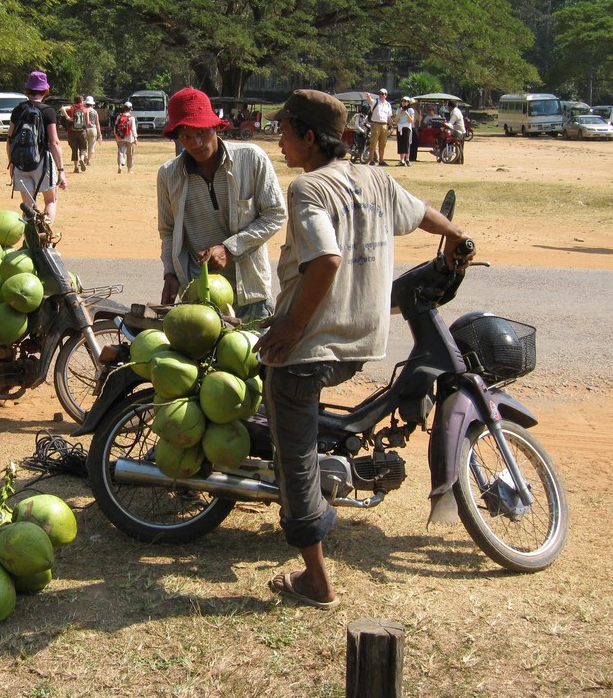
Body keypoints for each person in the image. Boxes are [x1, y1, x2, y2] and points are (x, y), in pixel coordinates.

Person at [253, 89, 474, 609]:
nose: (279, 141)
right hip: (362, 341)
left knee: (296, 453)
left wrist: (290, 327)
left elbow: (325, 261)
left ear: (309, 137)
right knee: (307, 427)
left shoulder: (309, 187)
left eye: (284, 131)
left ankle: (315, 579)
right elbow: (421, 214)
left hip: (312, 345)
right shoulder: (376, 178)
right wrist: (456, 235)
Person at [157, 88, 285, 323]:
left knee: (251, 358)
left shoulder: (251, 158)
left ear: (215, 126)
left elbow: (275, 214)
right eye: (185, 136)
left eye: (202, 132)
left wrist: (230, 248)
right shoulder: (168, 174)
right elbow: (168, 230)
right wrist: (170, 272)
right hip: (199, 298)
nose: (195, 143)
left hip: (249, 292)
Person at [7, 71, 66, 222]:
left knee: (28, 205)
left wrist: (12, 163)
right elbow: (54, 142)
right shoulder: (48, 111)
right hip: (42, 162)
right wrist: (61, 170)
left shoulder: (18, 110)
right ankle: (44, 239)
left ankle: (30, 241)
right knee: (50, 201)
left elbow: (9, 139)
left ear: (27, 90)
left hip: (20, 162)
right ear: (45, 90)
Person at [366, 87, 392, 166]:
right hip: (375, 124)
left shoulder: (388, 105)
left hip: (384, 125)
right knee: (373, 142)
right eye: (380, 93)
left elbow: (389, 117)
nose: (381, 95)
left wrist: (391, 127)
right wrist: (368, 96)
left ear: (386, 95)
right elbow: (370, 101)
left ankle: (381, 160)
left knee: (382, 143)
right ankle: (371, 160)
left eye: (383, 94)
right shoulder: (376, 102)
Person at [113, 101, 138, 174]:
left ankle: (120, 165)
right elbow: (133, 128)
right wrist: (135, 138)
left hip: (120, 137)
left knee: (121, 152)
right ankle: (129, 170)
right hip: (129, 138)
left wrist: (116, 136)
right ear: (130, 109)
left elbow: (115, 127)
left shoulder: (119, 116)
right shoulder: (131, 118)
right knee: (130, 154)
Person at [66, 95, 87, 172]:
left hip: (73, 132)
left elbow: (62, 108)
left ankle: (76, 167)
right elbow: (87, 122)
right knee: (83, 147)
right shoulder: (84, 109)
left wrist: (68, 117)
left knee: (74, 149)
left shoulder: (71, 108)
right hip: (82, 132)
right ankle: (82, 158)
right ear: (81, 101)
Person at [395, 96, 415, 166]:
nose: (404, 102)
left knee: (406, 143)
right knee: (400, 143)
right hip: (400, 127)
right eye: (403, 101)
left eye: (405, 101)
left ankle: (407, 159)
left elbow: (411, 121)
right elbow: (396, 120)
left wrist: (406, 114)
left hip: (407, 127)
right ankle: (401, 160)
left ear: (408, 103)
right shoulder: (398, 110)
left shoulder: (411, 110)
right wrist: (400, 113)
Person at [83, 95, 101, 167]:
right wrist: (99, 134)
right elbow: (97, 123)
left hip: (85, 129)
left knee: (84, 144)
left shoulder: (84, 111)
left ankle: (85, 156)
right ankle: (89, 160)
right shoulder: (95, 112)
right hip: (93, 129)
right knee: (91, 145)